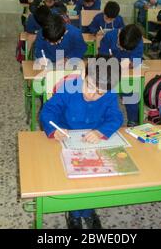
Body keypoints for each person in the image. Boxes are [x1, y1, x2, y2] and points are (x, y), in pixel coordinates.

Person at [40, 55, 123, 229]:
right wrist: (53, 130)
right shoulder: (68, 88)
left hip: (93, 142)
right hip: (65, 139)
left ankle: (87, 210)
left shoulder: (109, 94)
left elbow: (116, 117)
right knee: (73, 176)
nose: (92, 95)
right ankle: (75, 212)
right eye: (89, 86)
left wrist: (101, 131)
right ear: (84, 73)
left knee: (93, 176)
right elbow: (48, 111)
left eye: (99, 93)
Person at [99, 24, 143, 126]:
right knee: (102, 93)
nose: (122, 50)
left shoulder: (137, 41)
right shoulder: (109, 37)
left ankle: (132, 120)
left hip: (126, 73)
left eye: (126, 50)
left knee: (131, 92)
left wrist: (131, 63)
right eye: (120, 46)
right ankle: (101, 119)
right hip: (108, 72)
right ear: (119, 36)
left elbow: (136, 60)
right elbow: (101, 57)